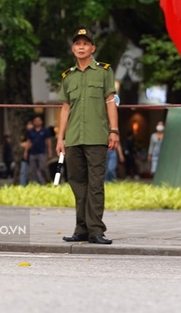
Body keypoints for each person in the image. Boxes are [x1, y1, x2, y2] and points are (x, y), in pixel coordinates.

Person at [56, 28, 119, 245]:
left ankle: (96, 230)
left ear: (92, 48)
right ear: (73, 49)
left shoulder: (104, 71)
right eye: (77, 44)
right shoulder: (68, 76)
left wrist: (114, 130)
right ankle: (81, 229)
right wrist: (60, 138)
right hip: (73, 139)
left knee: (95, 185)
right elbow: (65, 108)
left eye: (85, 43)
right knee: (77, 184)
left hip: (96, 137)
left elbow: (110, 101)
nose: (81, 47)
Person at [26, 116, 53, 184]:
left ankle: (48, 182)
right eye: (35, 120)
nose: (37, 122)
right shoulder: (31, 131)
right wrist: (26, 152)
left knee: (43, 168)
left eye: (38, 120)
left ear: (41, 121)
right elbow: (28, 142)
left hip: (42, 152)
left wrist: (49, 151)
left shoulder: (45, 130)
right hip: (32, 153)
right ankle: (33, 183)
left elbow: (48, 141)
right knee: (32, 170)